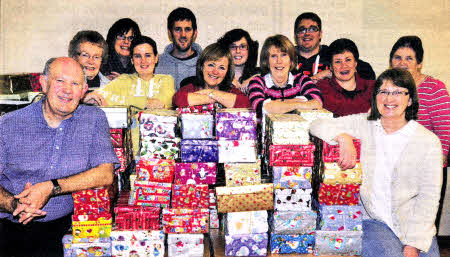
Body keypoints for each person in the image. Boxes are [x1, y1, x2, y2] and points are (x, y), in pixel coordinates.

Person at [310, 68, 442, 257]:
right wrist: (343, 137)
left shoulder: (428, 141)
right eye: (384, 92)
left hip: (413, 223)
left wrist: (413, 244)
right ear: (375, 96)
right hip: (373, 221)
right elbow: (317, 124)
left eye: (398, 92)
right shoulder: (364, 124)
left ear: (410, 99)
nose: (389, 99)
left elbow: (428, 198)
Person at [0, 57, 118, 257]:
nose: (67, 90)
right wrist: (15, 205)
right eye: (60, 81)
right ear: (43, 84)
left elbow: (105, 174)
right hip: (10, 227)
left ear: (83, 91)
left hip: (68, 230)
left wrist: (50, 187)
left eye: (75, 84)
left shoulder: (94, 119)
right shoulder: (8, 124)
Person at [84, 36, 175, 157]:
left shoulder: (166, 80)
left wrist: (123, 100)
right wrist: (144, 102)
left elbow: (162, 104)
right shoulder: (124, 80)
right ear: (132, 60)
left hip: (159, 152)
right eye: (138, 56)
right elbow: (97, 98)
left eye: (148, 55)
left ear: (156, 58)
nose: (143, 61)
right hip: (125, 153)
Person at [389, 35, 450, 163]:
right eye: (397, 58)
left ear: (419, 64)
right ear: (391, 62)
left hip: (426, 163)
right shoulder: (386, 87)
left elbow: (445, 133)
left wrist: (436, 165)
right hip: (393, 163)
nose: (402, 63)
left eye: (409, 58)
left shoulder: (434, 88)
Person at [248, 34, 323, 118]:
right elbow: (260, 108)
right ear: (266, 61)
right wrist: (301, 103)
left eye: (284, 55)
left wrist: (277, 104)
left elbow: (317, 101)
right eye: (273, 56)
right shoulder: (257, 82)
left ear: (291, 60)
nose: (279, 61)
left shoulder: (302, 79)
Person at [293, 12, 375, 81]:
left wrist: (337, 73)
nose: (307, 33)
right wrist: (316, 77)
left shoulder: (331, 53)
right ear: (295, 35)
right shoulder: (286, 57)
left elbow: (366, 71)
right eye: (302, 30)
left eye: (313, 29)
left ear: (320, 34)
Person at [172, 42, 250, 108]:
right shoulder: (190, 88)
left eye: (222, 68)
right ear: (202, 66)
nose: (215, 72)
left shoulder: (232, 91)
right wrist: (218, 98)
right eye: (211, 65)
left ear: (227, 72)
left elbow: (245, 104)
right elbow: (177, 100)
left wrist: (211, 92)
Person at [316, 38, 375, 117]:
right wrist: (369, 109)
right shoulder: (322, 87)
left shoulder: (372, 87)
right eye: (338, 62)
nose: (344, 66)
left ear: (355, 63)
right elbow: (341, 109)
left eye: (348, 60)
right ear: (331, 67)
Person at [155, 7, 202, 91]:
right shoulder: (155, 64)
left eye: (187, 29)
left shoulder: (207, 64)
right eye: (178, 29)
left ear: (195, 33)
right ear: (170, 33)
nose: (183, 35)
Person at [217, 28, 260, 94]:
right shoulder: (218, 75)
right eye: (233, 47)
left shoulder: (259, 74)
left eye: (242, 47)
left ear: (249, 50)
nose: (238, 51)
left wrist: (256, 78)